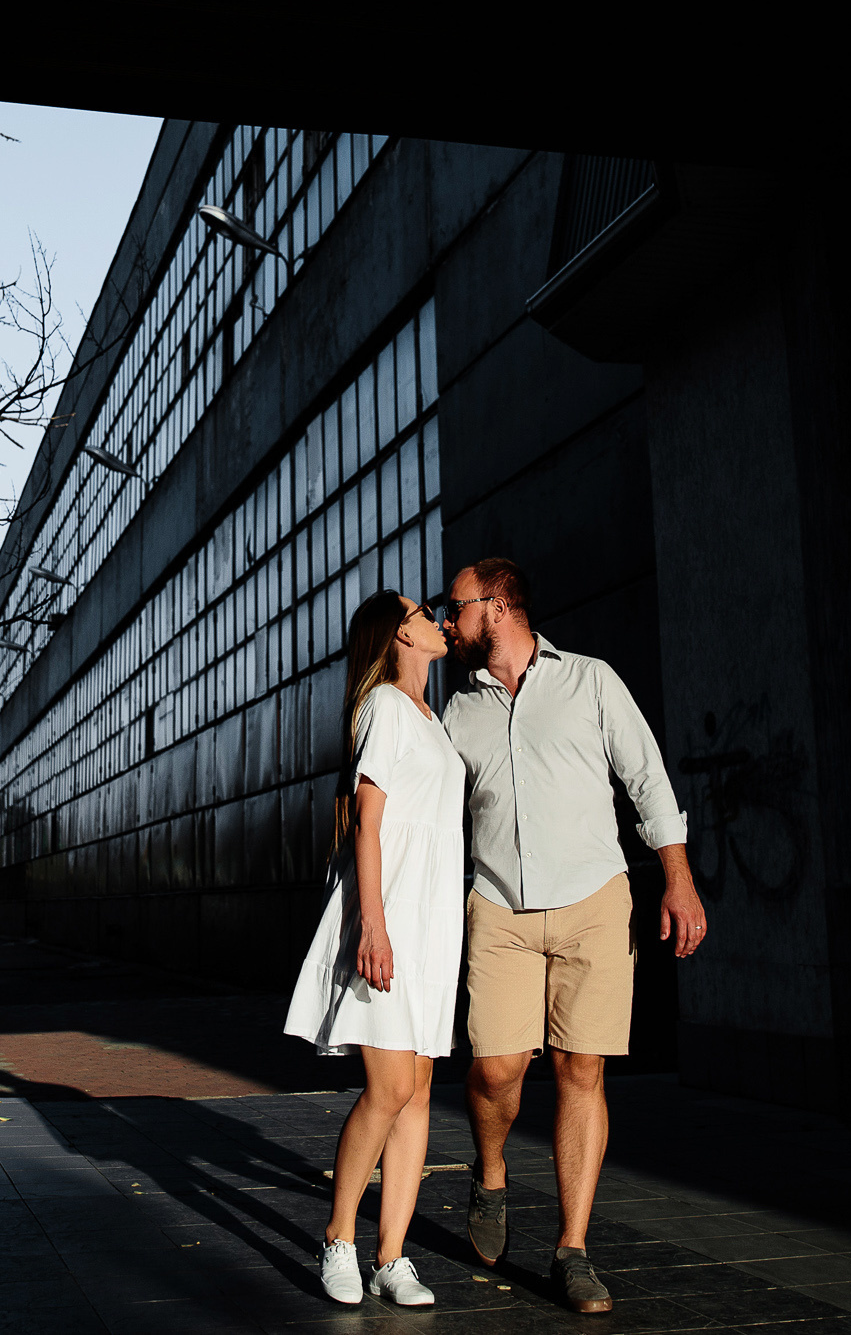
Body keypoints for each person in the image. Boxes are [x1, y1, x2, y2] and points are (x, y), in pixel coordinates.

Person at [437, 556, 707, 1316]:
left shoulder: (591, 680)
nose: (448, 619)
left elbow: (648, 779)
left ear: (495, 606)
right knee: (494, 1071)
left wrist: (677, 877)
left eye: (455, 606)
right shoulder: (459, 712)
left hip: (594, 900)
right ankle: (490, 1175)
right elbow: (424, 808)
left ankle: (572, 1249)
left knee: (580, 1070)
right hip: (499, 908)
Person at [282, 591, 464, 1308]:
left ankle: (392, 1256)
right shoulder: (386, 705)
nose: (440, 618)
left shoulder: (429, 716)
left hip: (431, 920)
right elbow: (368, 820)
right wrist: (374, 924)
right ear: (398, 635)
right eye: (426, 611)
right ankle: (338, 1238)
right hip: (390, 917)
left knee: (418, 1092)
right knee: (388, 1088)